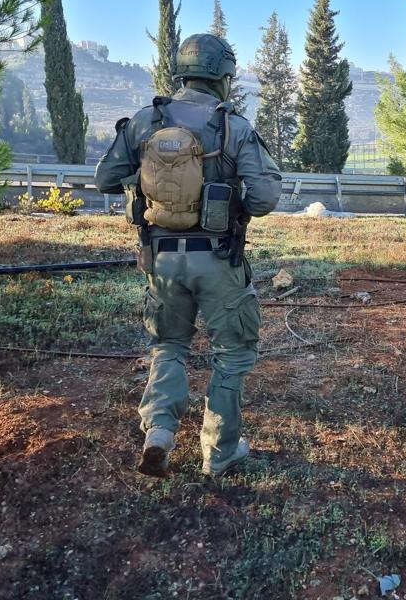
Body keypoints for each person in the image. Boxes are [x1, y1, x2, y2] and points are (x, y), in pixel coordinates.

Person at [95, 33, 282, 478]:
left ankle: (159, 431)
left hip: (160, 258)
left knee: (168, 345)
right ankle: (220, 451)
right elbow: (264, 197)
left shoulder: (146, 121)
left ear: (183, 71)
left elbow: (106, 177)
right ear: (223, 76)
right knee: (232, 353)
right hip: (217, 257)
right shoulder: (233, 125)